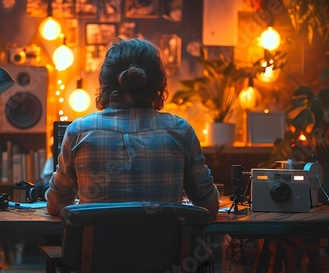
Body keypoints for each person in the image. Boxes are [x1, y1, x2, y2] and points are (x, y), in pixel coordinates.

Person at [46, 38, 220, 217]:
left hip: (101, 245)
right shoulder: (181, 131)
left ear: (105, 82)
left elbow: (55, 206)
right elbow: (210, 206)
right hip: (163, 246)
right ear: (158, 83)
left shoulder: (79, 132)